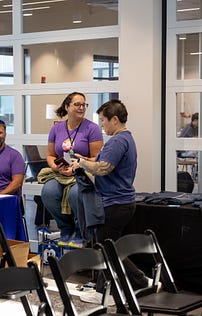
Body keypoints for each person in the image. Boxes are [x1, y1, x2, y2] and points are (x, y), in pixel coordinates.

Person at [71, 99, 152, 302]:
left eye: (103, 121)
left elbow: (104, 167)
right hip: (120, 202)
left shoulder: (117, 141)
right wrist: (86, 161)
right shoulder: (125, 139)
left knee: (106, 248)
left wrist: (82, 163)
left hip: (115, 204)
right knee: (109, 247)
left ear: (114, 120)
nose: (101, 126)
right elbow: (101, 164)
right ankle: (121, 285)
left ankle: (114, 289)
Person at [40, 92, 103, 248]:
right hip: (61, 172)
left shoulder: (92, 128)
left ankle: (81, 231)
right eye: (77, 104)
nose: (81, 108)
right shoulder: (56, 129)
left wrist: (81, 162)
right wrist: (55, 166)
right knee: (48, 192)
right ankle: (66, 228)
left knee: (76, 194)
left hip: (82, 173)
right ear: (67, 107)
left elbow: (97, 158)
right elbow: (50, 155)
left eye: (84, 105)